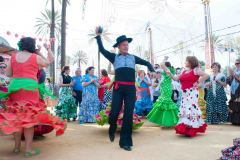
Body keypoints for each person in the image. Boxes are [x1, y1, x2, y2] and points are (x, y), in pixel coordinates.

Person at [0, 37, 66, 157]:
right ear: (32, 46)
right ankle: (28, 150)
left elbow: (8, 73)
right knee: (28, 118)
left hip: (15, 87)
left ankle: (16, 147)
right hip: (30, 88)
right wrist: (46, 49)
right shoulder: (35, 57)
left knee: (16, 117)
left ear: (21, 45)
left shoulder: (13, 56)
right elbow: (48, 61)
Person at [95, 27, 155, 151]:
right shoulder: (114, 57)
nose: (126, 47)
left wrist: (152, 70)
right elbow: (101, 49)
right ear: (119, 46)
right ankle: (112, 126)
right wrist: (99, 36)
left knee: (128, 115)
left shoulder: (133, 57)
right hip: (118, 88)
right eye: (123, 45)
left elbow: (147, 63)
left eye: (127, 45)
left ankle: (125, 142)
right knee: (114, 112)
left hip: (130, 89)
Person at [168, 56, 208, 137]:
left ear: (191, 62)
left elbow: (206, 76)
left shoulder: (196, 70)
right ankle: (186, 126)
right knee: (185, 108)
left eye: (187, 61)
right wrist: (170, 74)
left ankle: (191, 128)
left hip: (192, 92)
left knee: (191, 108)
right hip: (184, 93)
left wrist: (198, 81)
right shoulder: (183, 71)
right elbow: (176, 79)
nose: (185, 62)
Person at [147, 60, 179, 127]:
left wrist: (164, 59)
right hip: (164, 89)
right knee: (163, 104)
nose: (161, 67)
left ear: (166, 66)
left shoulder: (168, 70)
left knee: (166, 104)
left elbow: (161, 64)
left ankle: (167, 121)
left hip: (166, 89)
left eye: (163, 66)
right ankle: (163, 120)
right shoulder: (166, 71)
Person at [227, 59, 240, 125]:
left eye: (238, 63)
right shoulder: (235, 71)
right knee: (234, 104)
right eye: (236, 64)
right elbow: (229, 82)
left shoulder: (235, 72)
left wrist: (233, 74)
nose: (237, 65)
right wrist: (230, 75)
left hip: (239, 90)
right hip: (233, 90)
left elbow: (239, 79)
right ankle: (234, 120)